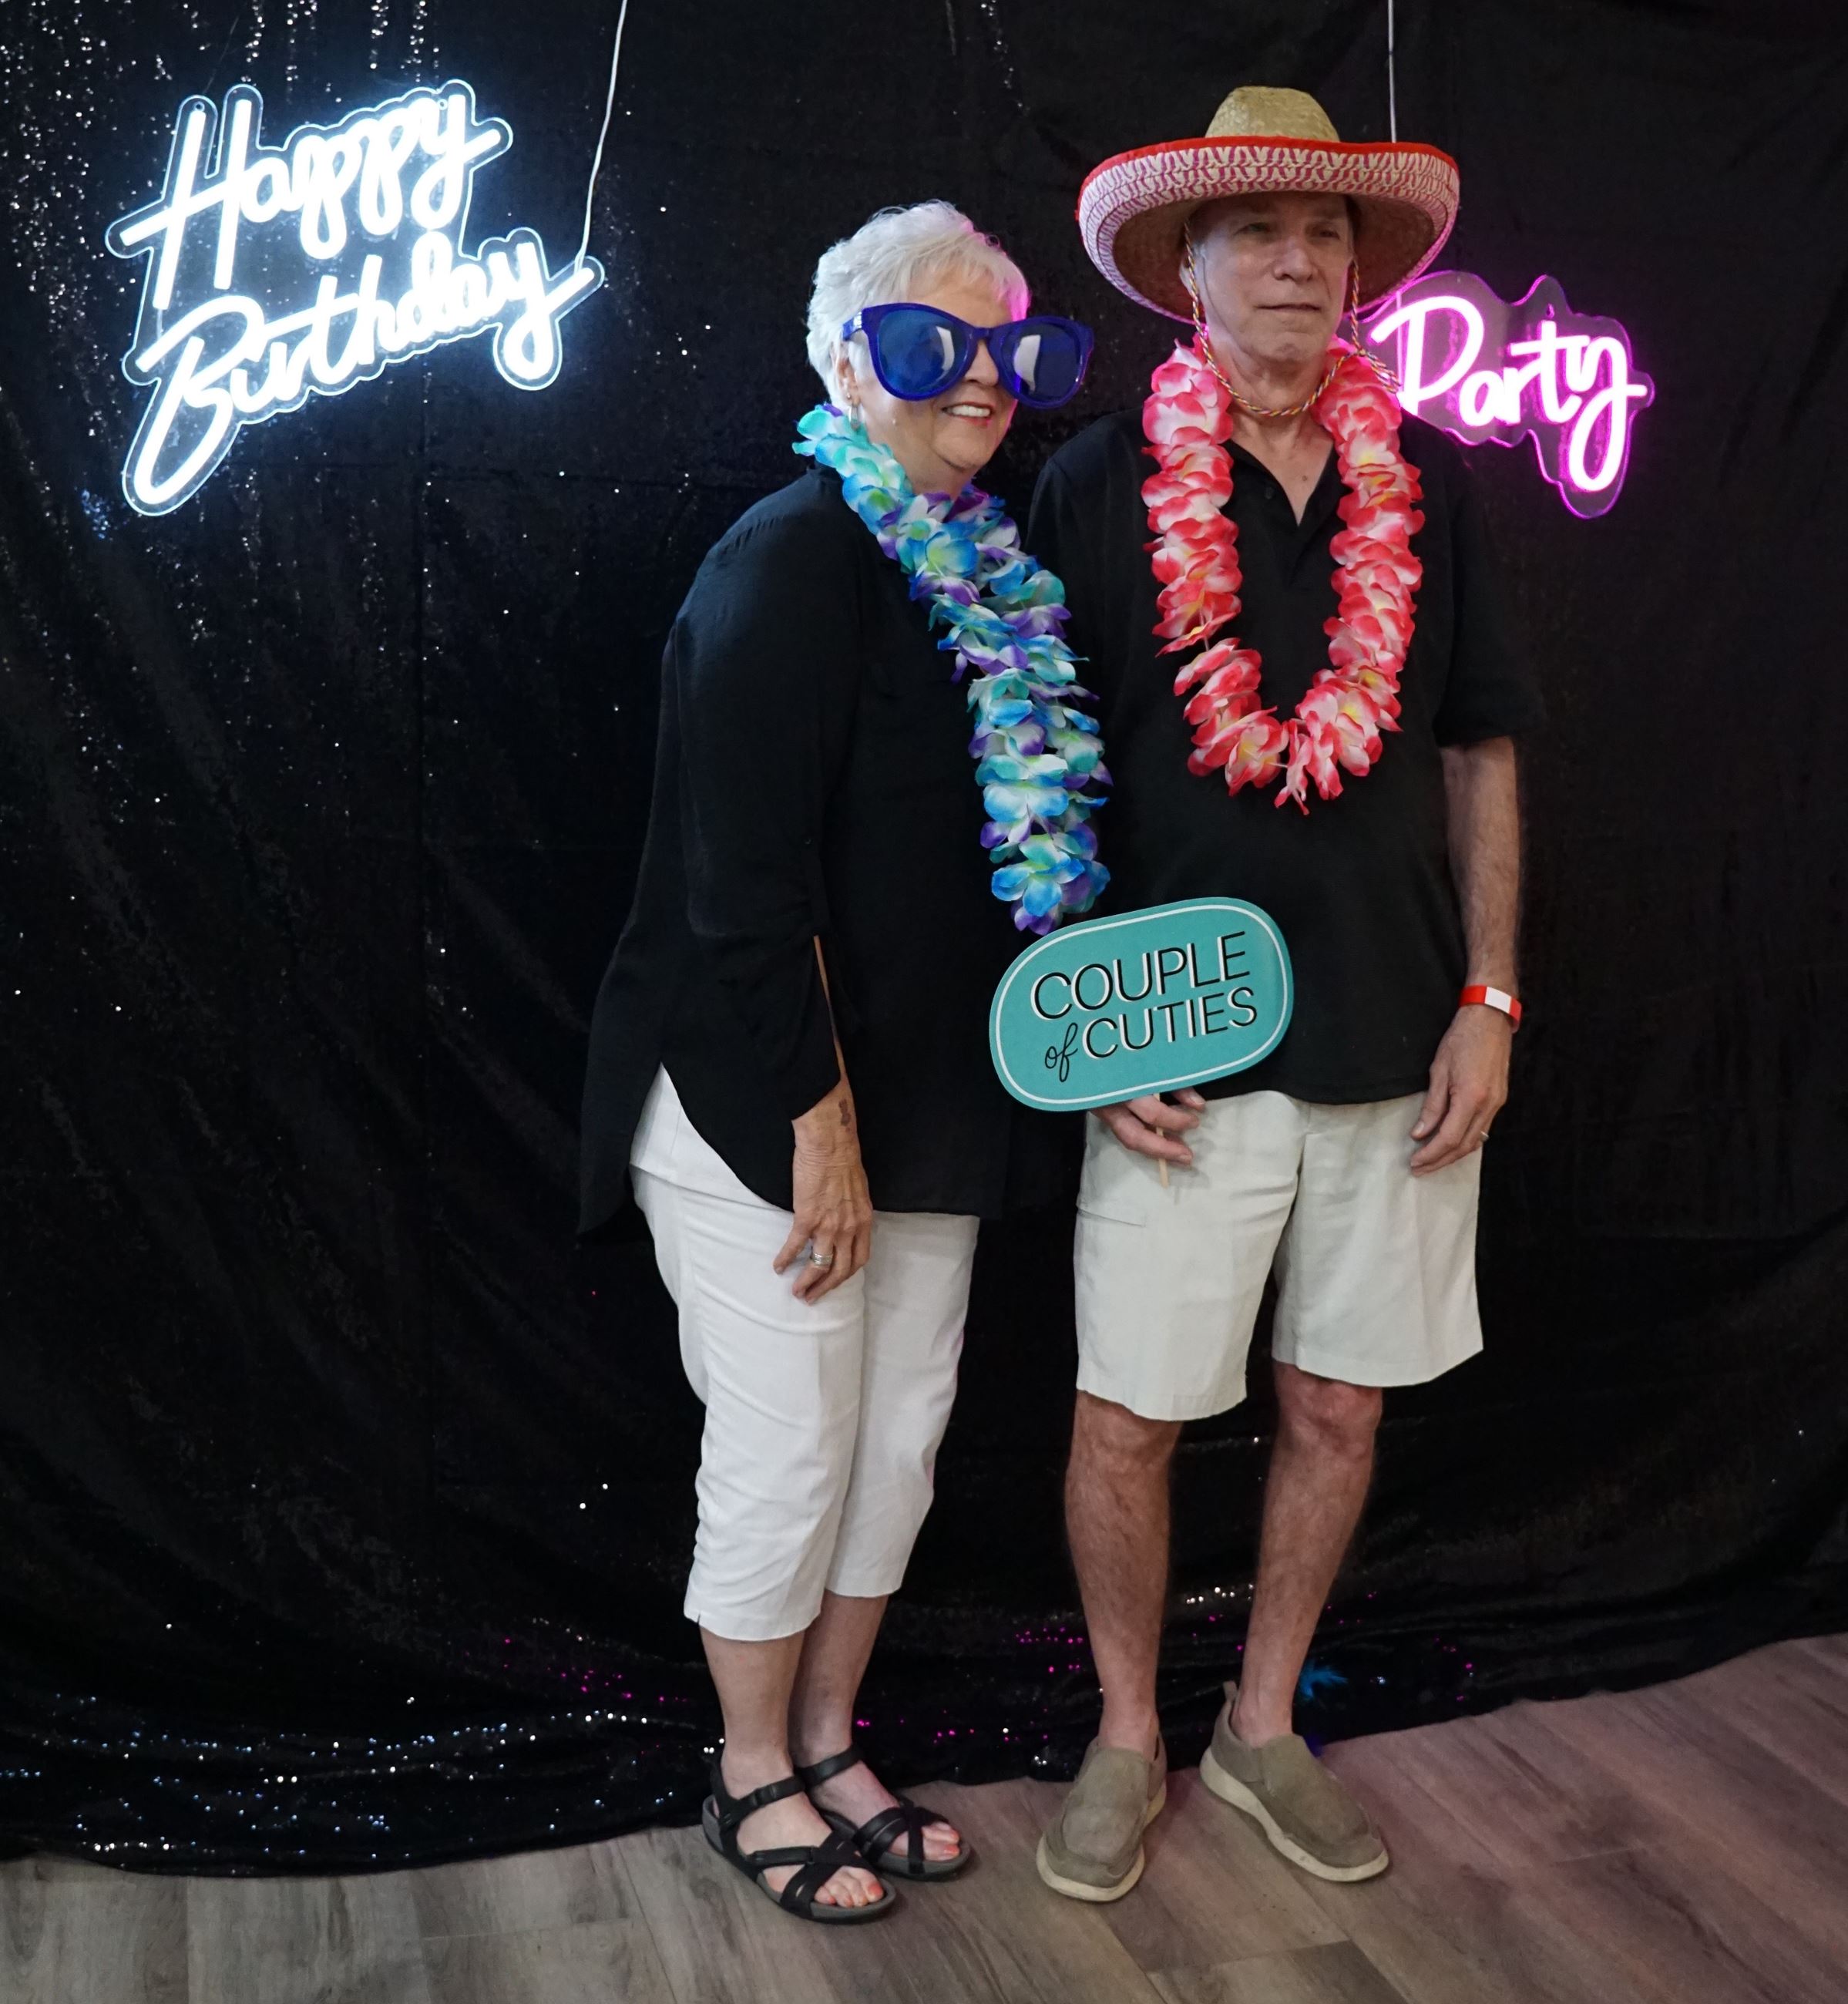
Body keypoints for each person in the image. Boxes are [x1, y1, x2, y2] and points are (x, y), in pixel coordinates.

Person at [1027, 86, 1542, 1901]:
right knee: (1128, 1414)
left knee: (1336, 1408)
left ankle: (1258, 1727)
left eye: (1325, 232)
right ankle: (1124, 1736)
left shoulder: (1433, 484)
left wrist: (1489, 994)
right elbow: (1029, 769)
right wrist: (1080, 1019)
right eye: (1257, 229)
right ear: (1188, 265)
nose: (1298, 261)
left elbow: (1479, 747)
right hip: (1171, 1042)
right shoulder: (1093, 483)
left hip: (1398, 1036)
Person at [579, 201, 1105, 1923]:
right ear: (840, 362)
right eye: (927, 343)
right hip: (764, 1105)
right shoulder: (790, 561)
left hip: (929, 1109)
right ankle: (748, 1773)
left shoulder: (982, 575)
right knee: (793, 1451)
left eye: (1006, 349)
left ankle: (826, 1740)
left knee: (896, 1449)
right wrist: (817, 1126)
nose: (978, 380)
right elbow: (741, 890)